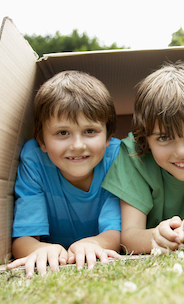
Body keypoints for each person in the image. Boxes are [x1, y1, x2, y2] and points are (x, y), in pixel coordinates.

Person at [102, 61, 184, 254]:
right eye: (164, 138)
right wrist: (155, 237)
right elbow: (128, 238)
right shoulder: (133, 156)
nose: (181, 152)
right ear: (144, 139)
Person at [7, 70, 121, 278]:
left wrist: (93, 243)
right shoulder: (34, 160)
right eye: (62, 133)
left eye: (90, 131)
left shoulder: (116, 157)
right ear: (41, 140)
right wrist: (40, 249)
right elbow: (23, 239)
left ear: (108, 137)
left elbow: (118, 233)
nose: (77, 146)